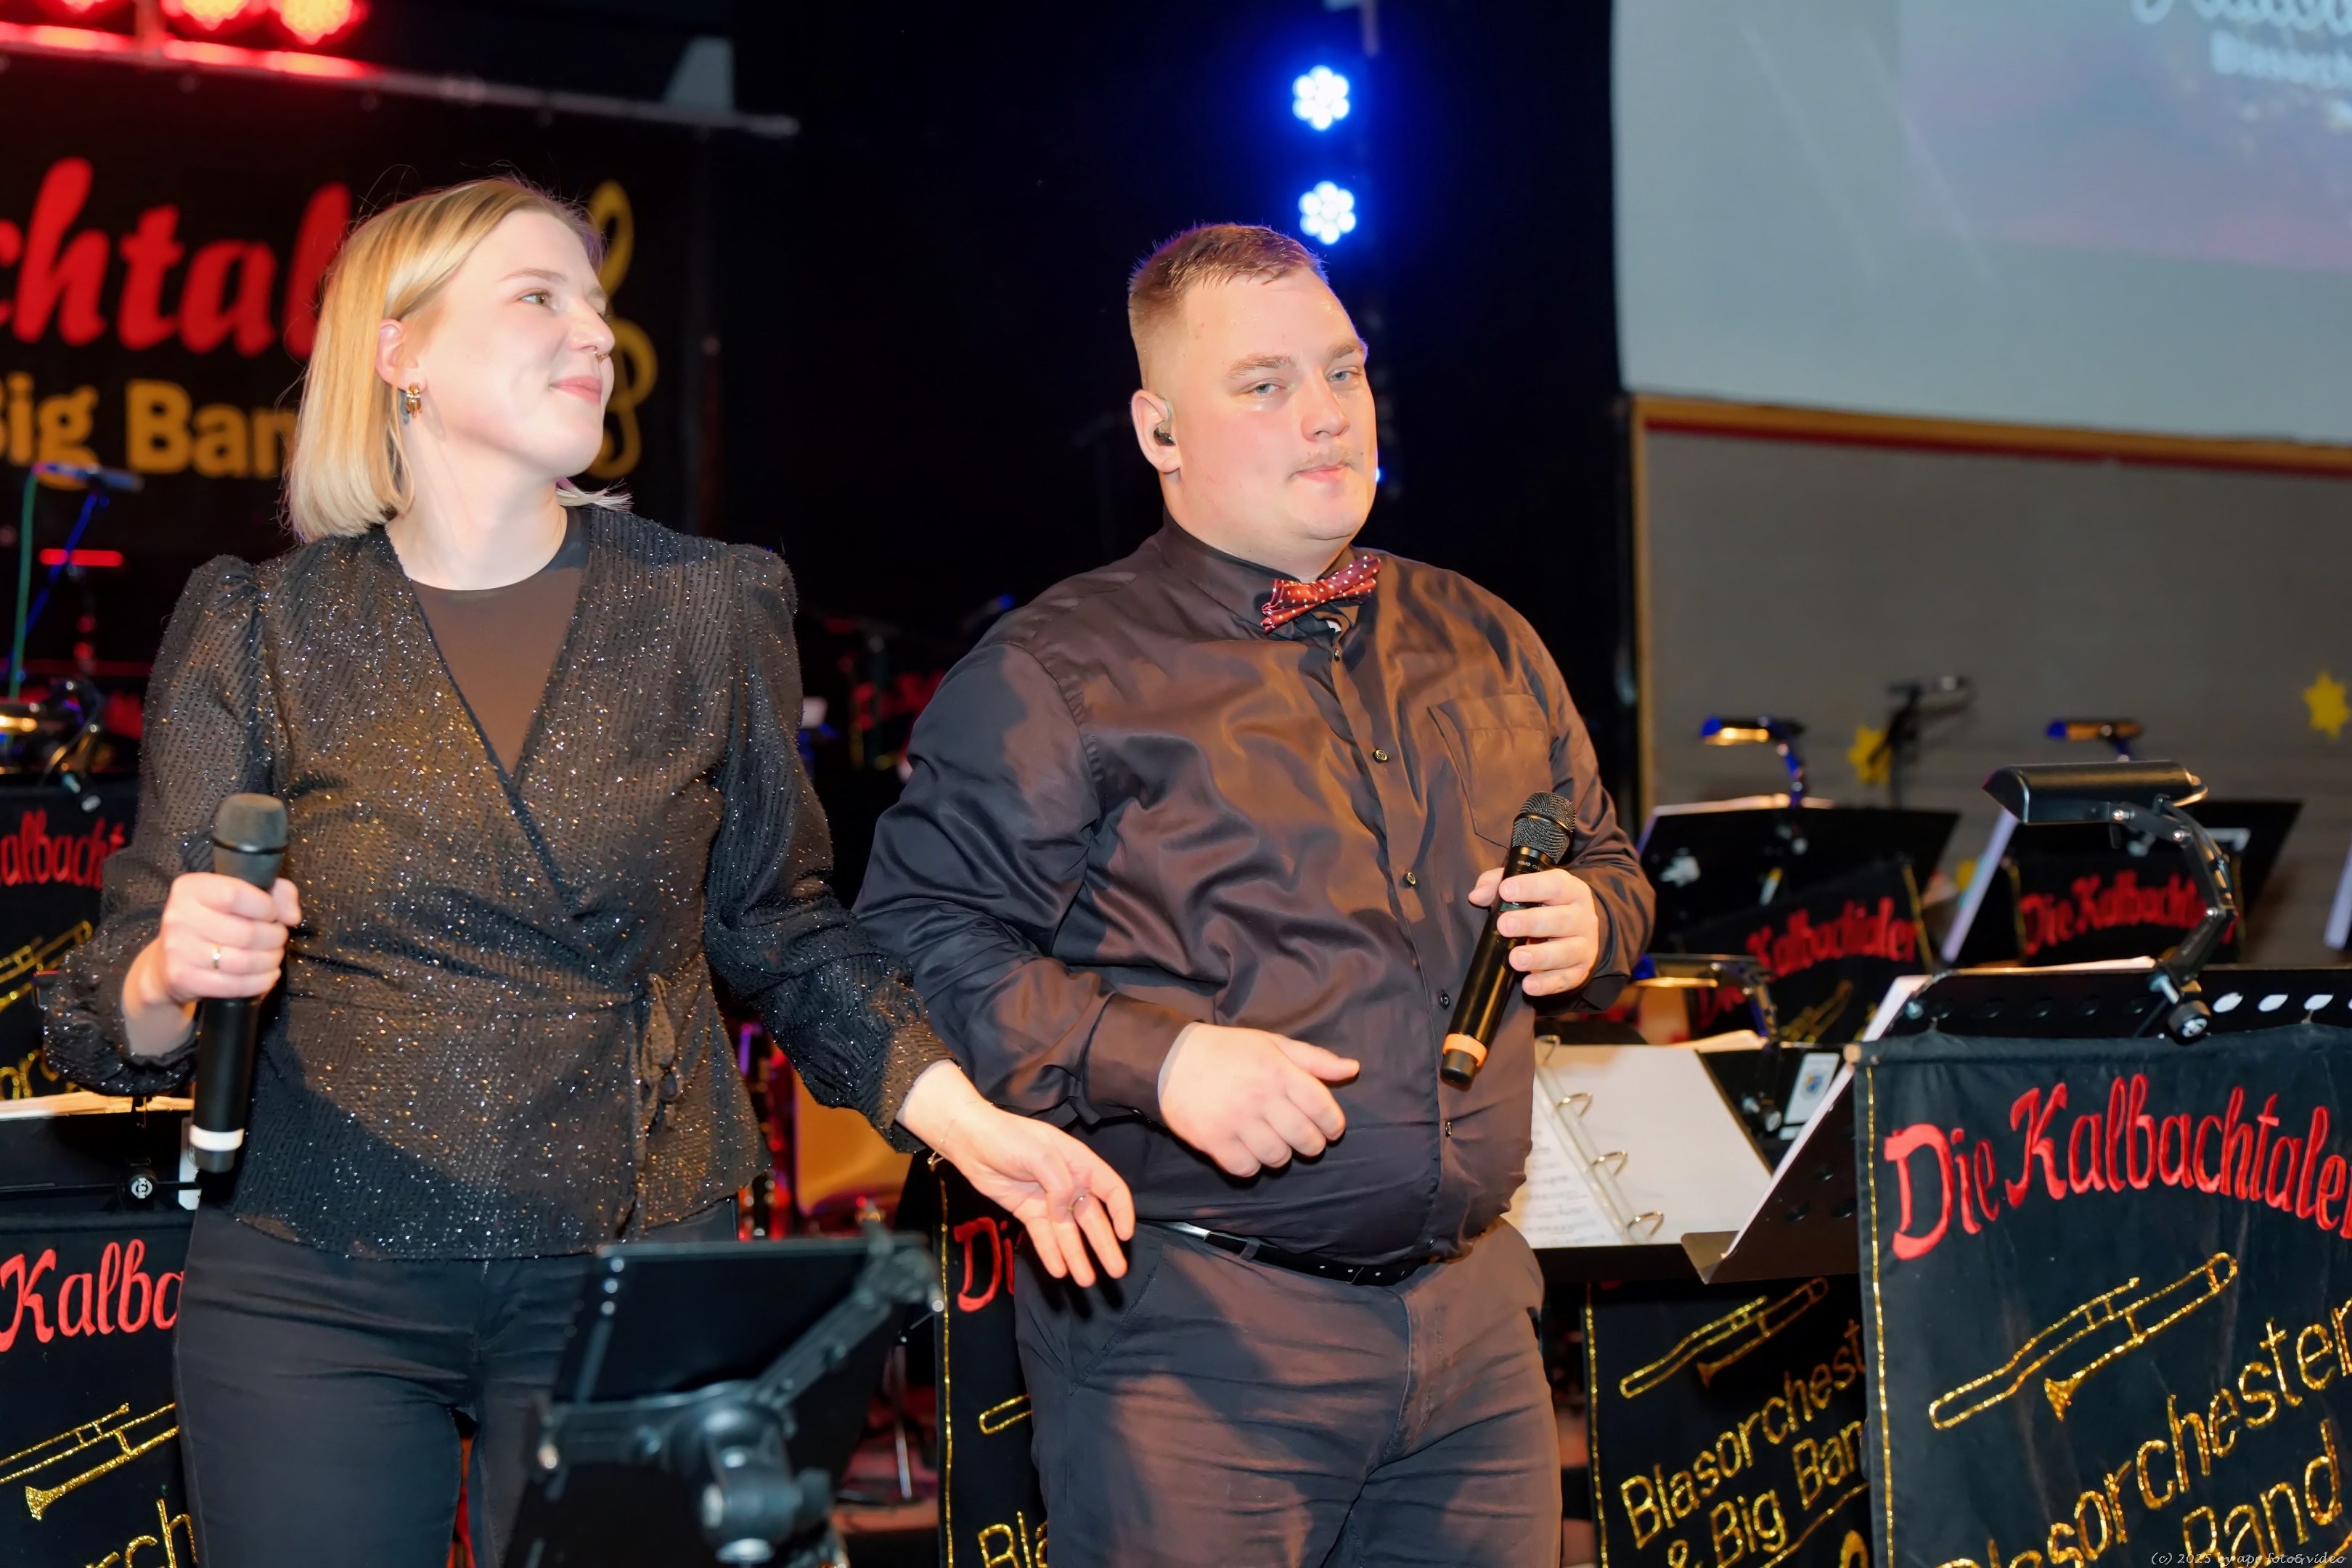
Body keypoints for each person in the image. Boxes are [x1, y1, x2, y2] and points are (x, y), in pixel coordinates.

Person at [43, 178, 1133, 1568]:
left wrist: (966, 1122)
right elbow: (105, 1014)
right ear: (400, 349)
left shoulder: (708, 603)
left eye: (601, 307)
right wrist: (167, 974)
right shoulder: (260, 624)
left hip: (634, 1259)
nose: (597, 336)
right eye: (538, 297)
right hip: (318, 1277)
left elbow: (783, 931)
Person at [856, 224, 1654, 1566]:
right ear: (1159, 431)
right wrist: (1158, 1062)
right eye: (1265, 384)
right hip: (1193, 1348)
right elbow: (913, 942)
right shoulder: (1056, 671)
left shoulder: (1489, 637)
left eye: (1343, 371)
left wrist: (1598, 920)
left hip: (1477, 1331)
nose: (1327, 413)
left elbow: (1609, 863)